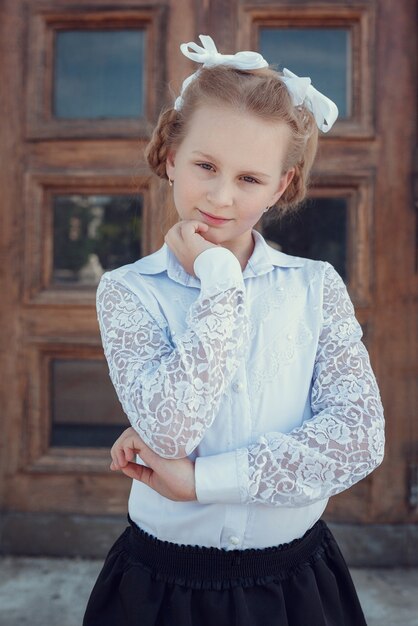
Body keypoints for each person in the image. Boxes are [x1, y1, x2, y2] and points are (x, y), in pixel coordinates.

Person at [83, 34, 385, 626]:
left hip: (295, 583)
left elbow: (359, 438)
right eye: (205, 166)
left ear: (282, 185)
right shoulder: (128, 291)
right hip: (163, 587)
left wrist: (201, 481)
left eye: (250, 179)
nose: (220, 196)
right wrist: (220, 283)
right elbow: (170, 430)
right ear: (171, 155)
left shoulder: (315, 287)